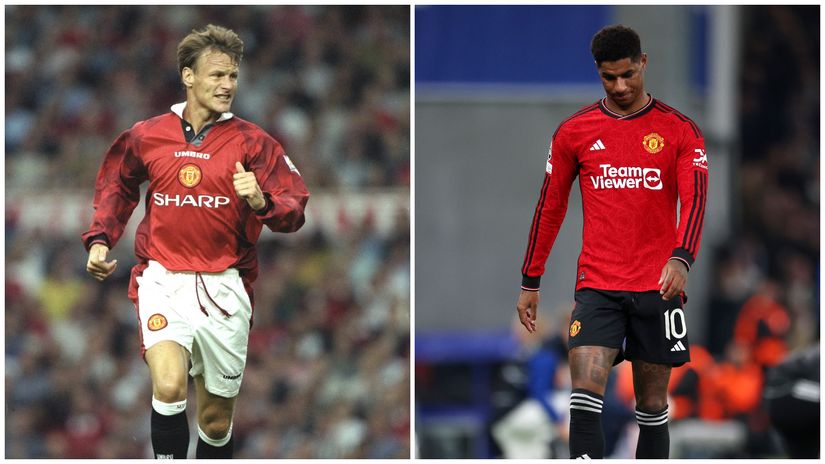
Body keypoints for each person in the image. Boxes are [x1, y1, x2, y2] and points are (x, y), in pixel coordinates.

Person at [82, 24, 310, 459]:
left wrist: (262, 201)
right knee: (168, 386)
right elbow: (118, 184)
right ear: (188, 76)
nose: (227, 86)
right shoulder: (148, 135)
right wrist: (100, 238)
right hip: (162, 279)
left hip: (225, 287)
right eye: (217, 75)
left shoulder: (254, 143)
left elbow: (295, 208)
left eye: (233, 77)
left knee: (215, 422)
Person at [515, 24, 708, 459]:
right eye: (608, 77)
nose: (620, 86)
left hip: (658, 285)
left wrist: (681, 259)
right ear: (598, 73)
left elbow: (695, 200)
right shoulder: (574, 132)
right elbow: (550, 207)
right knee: (583, 392)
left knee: (653, 405)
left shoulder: (680, 131)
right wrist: (531, 280)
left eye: (627, 74)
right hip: (598, 284)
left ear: (643, 63)